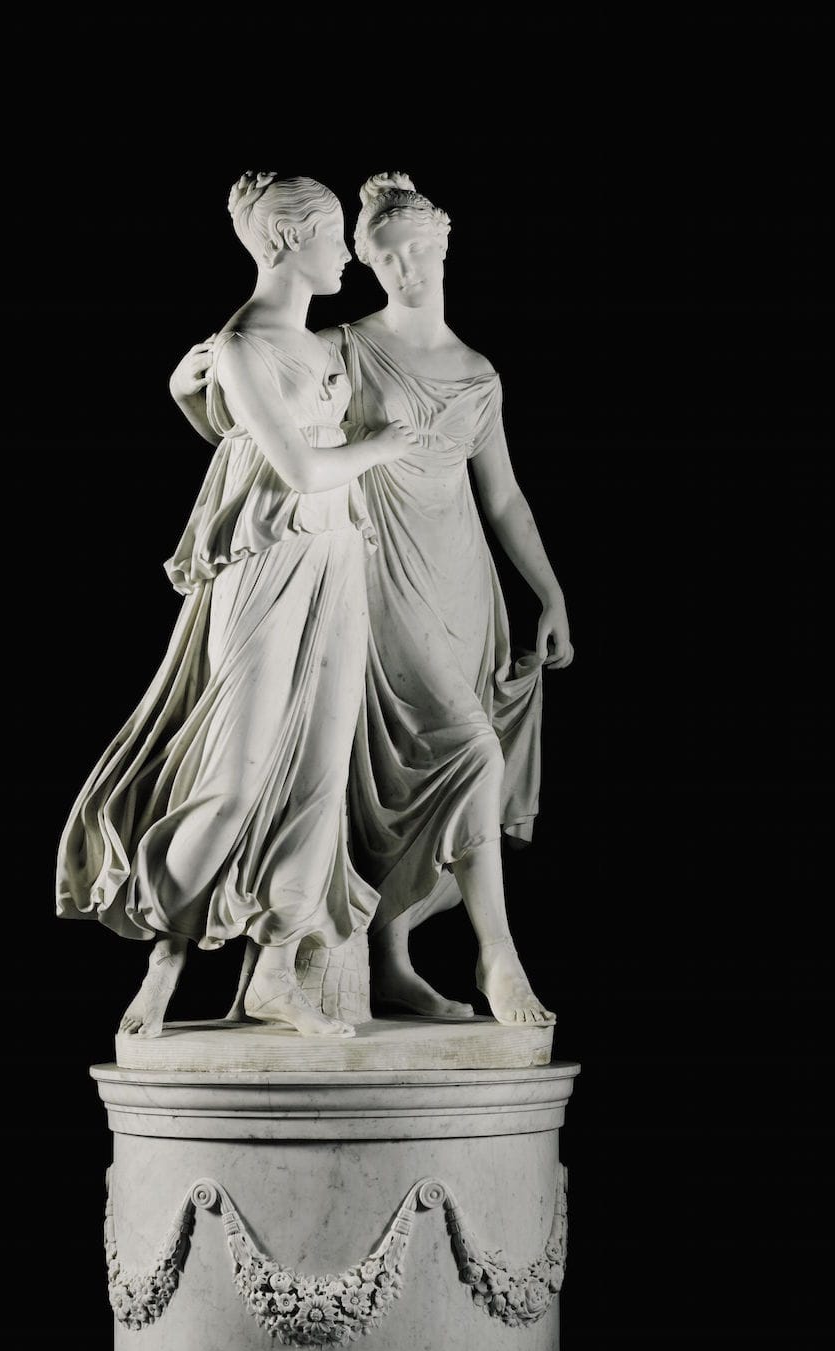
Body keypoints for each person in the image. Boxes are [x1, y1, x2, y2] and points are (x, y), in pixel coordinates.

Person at [56, 173, 412, 1038]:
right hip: (264, 562)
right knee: (233, 776)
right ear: (287, 239)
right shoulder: (244, 345)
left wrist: (187, 397)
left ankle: (277, 973)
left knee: (318, 772)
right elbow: (299, 466)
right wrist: (380, 443)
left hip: (336, 553)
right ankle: (164, 955)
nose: (346, 253)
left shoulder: (316, 345)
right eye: (333, 234)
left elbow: (232, 439)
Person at [325, 172, 575, 1025]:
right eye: (388, 258)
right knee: (465, 752)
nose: (407, 269)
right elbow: (260, 410)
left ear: (443, 248)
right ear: (369, 264)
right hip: (382, 572)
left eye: (418, 251)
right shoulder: (344, 347)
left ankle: (391, 958)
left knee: (443, 768)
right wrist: (195, 385)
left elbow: (503, 498)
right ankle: (497, 954)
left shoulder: (477, 372)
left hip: (464, 584)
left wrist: (549, 593)